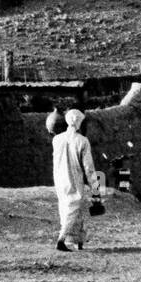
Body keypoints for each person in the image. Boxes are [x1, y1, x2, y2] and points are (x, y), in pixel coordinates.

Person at [52, 108, 97, 252]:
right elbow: (88, 167)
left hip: (59, 179)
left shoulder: (56, 139)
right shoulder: (83, 141)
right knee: (73, 208)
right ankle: (61, 239)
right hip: (74, 178)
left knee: (67, 209)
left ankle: (78, 241)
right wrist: (95, 186)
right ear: (78, 122)